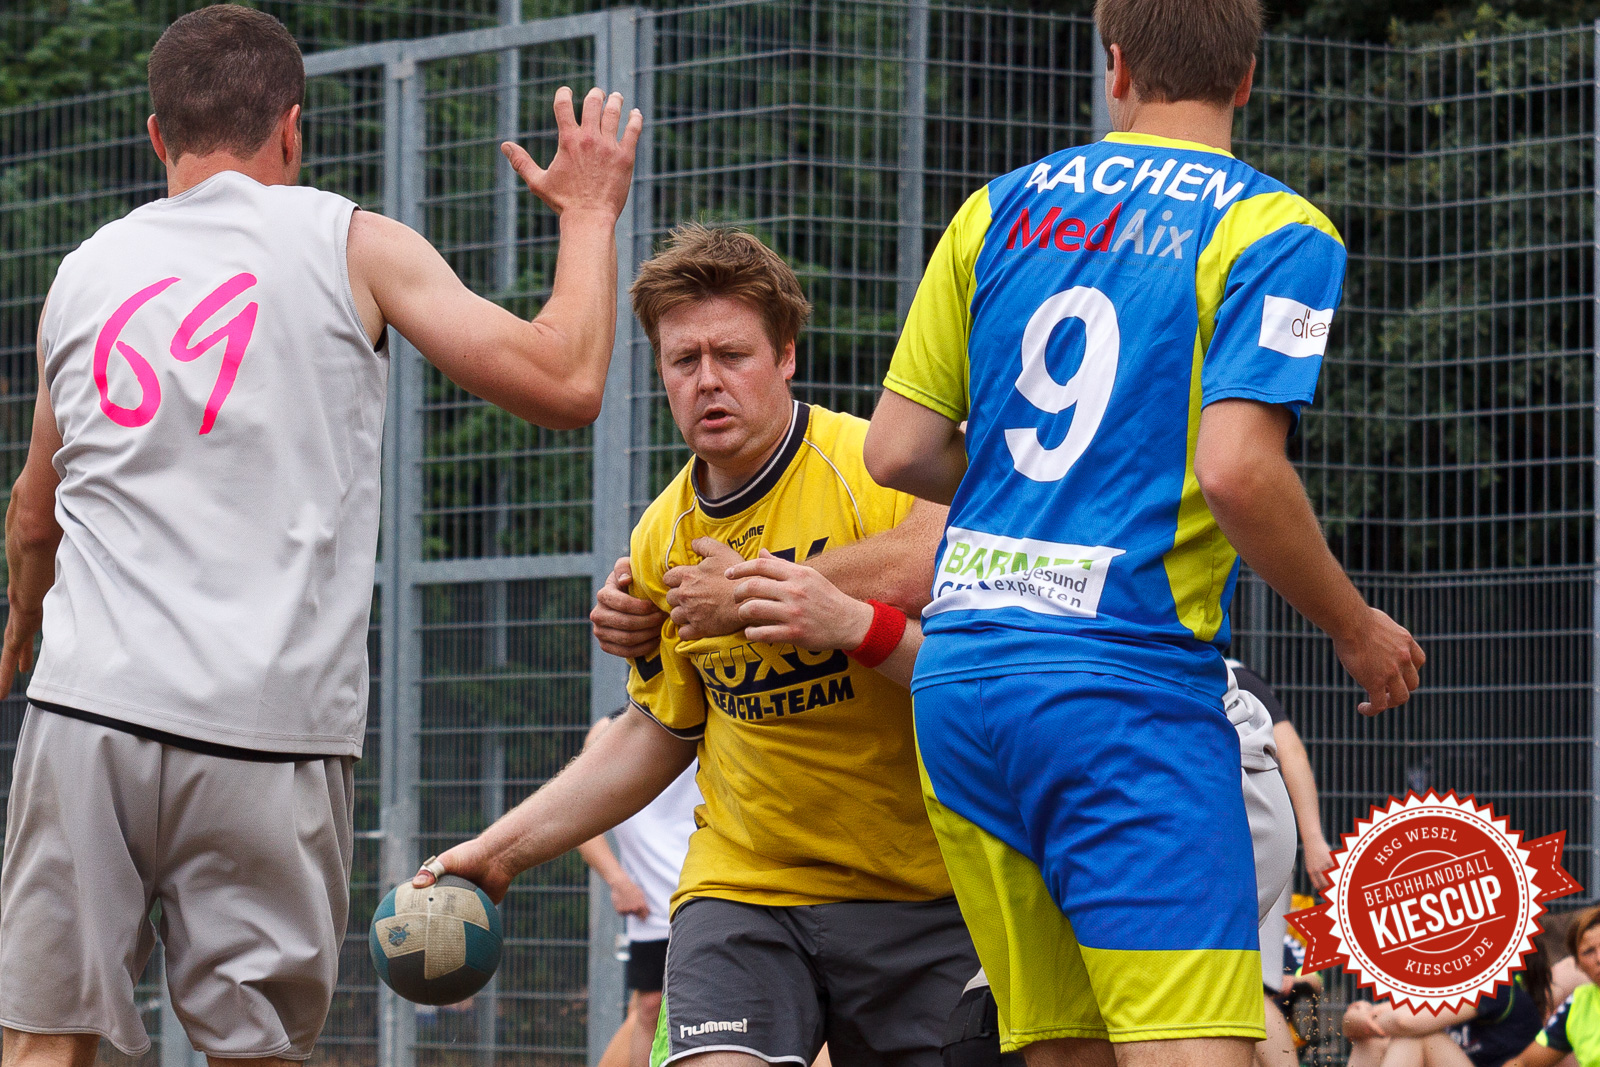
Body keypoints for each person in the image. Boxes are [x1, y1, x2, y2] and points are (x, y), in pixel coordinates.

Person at [0, 6, 640, 1064]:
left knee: (43, 1043)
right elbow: (566, 381)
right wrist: (587, 212)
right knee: (255, 1051)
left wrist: (26, 622)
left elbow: (34, 512)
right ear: (292, 131)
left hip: (89, 711)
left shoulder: (83, 273)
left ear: (158, 137)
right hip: (269, 729)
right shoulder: (354, 243)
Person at [859, 0, 1427, 1062]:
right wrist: (1352, 624)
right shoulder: (1276, 228)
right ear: (1248, 77)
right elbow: (1237, 471)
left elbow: (895, 451)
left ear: (1114, 65)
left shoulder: (994, 210)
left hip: (964, 682)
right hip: (1120, 691)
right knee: (1194, 1046)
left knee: (1063, 1047)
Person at [416, 224, 977, 1067]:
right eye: (684, 360)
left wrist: (768, 589)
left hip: (920, 889)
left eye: (732, 353)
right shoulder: (661, 537)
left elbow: (939, 571)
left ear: (786, 356)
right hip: (744, 888)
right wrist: (499, 851)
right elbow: (658, 731)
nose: (708, 379)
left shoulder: (877, 464)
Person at [579, 709, 703, 1067]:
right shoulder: (607, 732)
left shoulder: (714, 715)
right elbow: (583, 820)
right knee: (649, 1008)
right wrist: (619, 882)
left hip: (712, 891)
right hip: (651, 906)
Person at [1228, 660, 1332, 1067]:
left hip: (1244, 837)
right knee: (1235, 984)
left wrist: (1314, 839)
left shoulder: (1232, 675)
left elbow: (1287, 749)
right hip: (1223, 838)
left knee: (1250, 985)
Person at [1342, 938, 1554, 1067]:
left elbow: (1404, 1021)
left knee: (1420, 1036)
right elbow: (1353, 1024)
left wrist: (1368, 1020)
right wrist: (1357, 1019)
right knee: (1373, 1041)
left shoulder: (1496, 984)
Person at [1505, 908, 1600, 1067]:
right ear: (1577, 964)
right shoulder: (1579, 1004)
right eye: (1588, 952)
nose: (1599, 958)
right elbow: (1522, 1063)